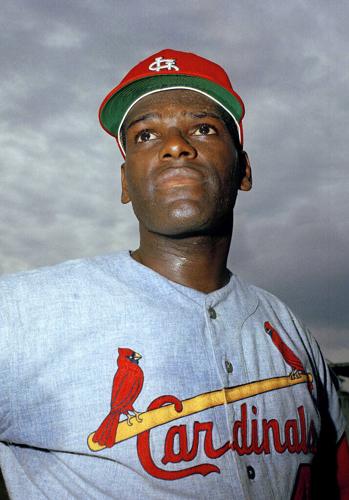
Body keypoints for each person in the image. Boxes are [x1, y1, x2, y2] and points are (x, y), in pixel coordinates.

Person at [0, 48, 348, 500]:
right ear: (125, 183)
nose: (175, 145)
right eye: (146, 135)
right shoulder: (21, 313)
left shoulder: (290, 330)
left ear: (244, 170)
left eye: (203, 128)